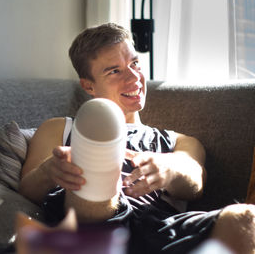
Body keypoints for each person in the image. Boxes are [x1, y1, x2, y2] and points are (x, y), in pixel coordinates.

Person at [18, 23, 255, 253]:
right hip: (89, 221)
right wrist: (52, 170)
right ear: (89, 86)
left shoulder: (177, 141)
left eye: (135, 63)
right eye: (114, 71)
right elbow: (27, 188)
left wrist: (169, 169)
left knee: (247, 217)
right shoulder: (60, 128)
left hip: (158, 228)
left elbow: (196, 183)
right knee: (93, 167)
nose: (133, 78)